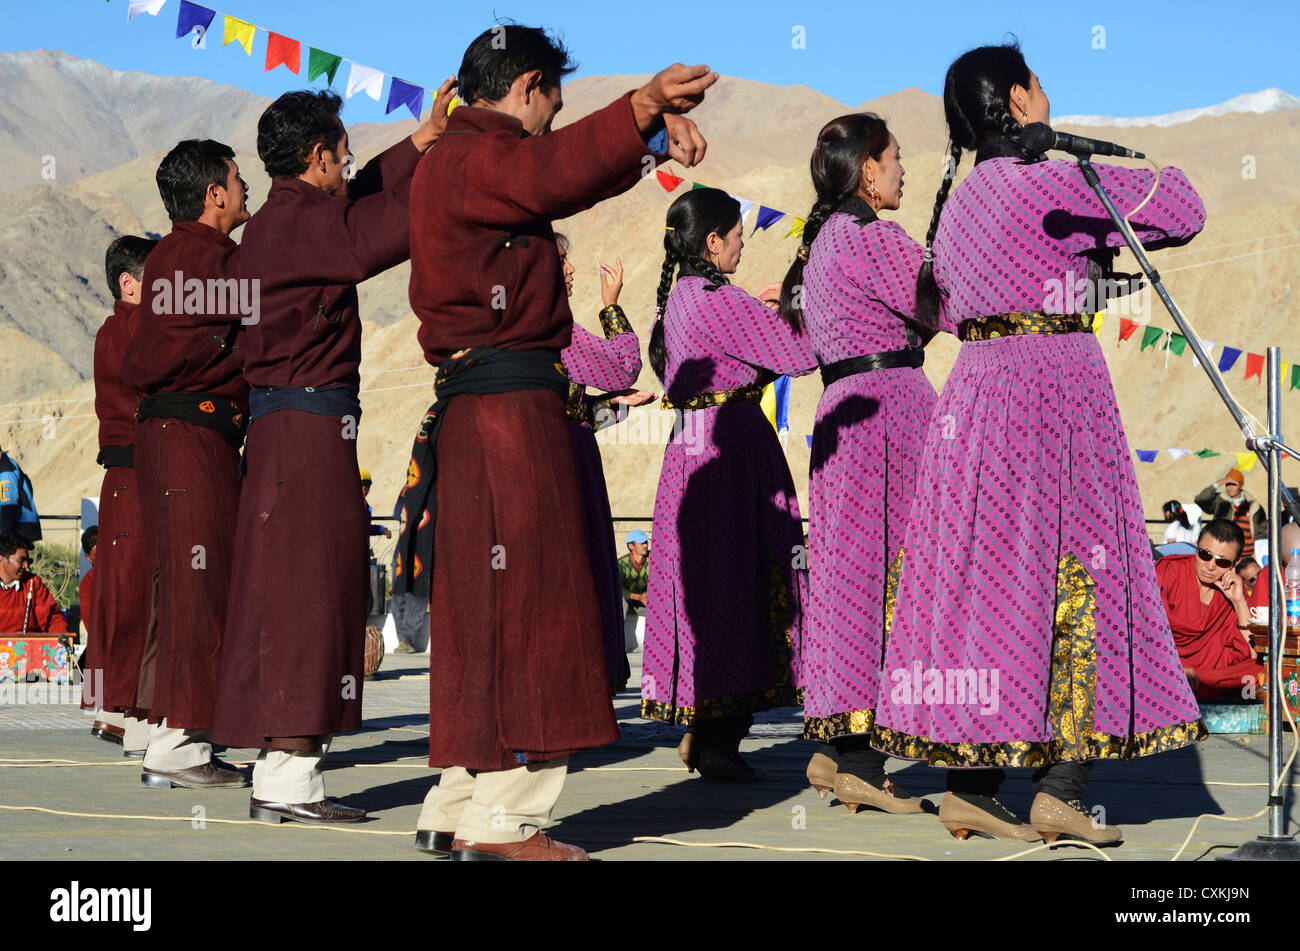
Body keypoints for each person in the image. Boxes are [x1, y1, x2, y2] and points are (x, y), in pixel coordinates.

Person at [874, 41, 1207, 846]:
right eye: (1040, 86)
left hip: (975, 397)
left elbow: (949, 309)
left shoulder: (953, 206)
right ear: (1020, 101)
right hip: (1057, 392)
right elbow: (1185, 207)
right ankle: (1062, 785)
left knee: (989, 585)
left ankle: (970, 785)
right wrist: (1068, 147)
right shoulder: (1057, 178)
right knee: (1077, 575)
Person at [401, 24, 713, 861]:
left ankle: (459, 798)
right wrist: (642, 107)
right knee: (536, 607)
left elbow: (553, 172)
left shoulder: (448, 165)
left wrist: (644, 134)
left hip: (475, 413)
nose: (550, 122)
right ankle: (507, 820)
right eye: (552, 106)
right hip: (511, 416)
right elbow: (554, 171)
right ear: (528, 85)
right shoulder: (481, 155)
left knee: (482, 615)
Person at [213, 85, 453, 825]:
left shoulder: (278, 222)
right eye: (343, 159)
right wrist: (461, 167)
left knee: (290, 590)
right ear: (318, 159)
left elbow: (357, 202)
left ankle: (283, 770)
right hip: (307, 431)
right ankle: (290, 779)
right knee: (306, 595)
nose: (350, 169)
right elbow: (372, 229)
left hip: (287, 429)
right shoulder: (302, 228)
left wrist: (419, 143)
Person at [782, 114, 939, 815]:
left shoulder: (821, 243)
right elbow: (943, 304)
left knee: (851, 575)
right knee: (892, 578)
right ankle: (861, 760)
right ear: (868, 170)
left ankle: (837, 746)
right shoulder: (872, 236)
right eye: (896, 158)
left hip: (845, 407)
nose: (904, 170)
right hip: (891, 410)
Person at [640, 186, 817, 782]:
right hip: (734, 448)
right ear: (712, 242)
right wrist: (789, 302)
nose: (743, 242)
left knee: (713, 582)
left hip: (691, 453)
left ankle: (707, 728)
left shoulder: (679, 302)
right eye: (737, 234)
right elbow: (800, 350)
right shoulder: (720, 299)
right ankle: (719, 738)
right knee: (744, 581)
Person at [121, 139, 252, 791]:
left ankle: (166, 728)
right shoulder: (203, 256)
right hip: (189, 432)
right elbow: (259, 327)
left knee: (185, 578)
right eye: (237, 176)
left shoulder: (180, 254)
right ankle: (178, 741)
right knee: (197, 581)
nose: (246, 184)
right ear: (214, 194)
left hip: (183, 434)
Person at [557, 236, 654, 694]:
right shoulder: (553, 327)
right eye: (561, 261)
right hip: (567, 465)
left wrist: (616, 405)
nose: (572, 268)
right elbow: (623, 363)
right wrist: (611, 306)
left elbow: (570, 409)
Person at [86, 235, 158, 760]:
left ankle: (111, 709)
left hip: (122, 478)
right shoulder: (134, 329)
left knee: (121, 591)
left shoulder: (111, 331)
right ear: (128, 283)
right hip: (139, 472)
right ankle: (135, 713)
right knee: (139, 593)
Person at [1157, 520, 1262, 700]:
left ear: (1234, 563)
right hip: (1167, 667)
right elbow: (1143, 631)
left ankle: (1194, 680)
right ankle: (1187, 679)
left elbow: (1252, 654)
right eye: (1205, 555)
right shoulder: (1167, 571)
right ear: (1196, 547)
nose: (1210, 566)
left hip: (1211, 675)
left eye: (1222, 562)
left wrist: (1238, 601)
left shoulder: (1234, 588)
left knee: (1262, 669)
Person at [0, 533, 68, 634]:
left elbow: (52, 619)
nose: (27, 566)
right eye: (21, 561)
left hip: (29, 646)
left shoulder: (33, 582)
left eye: (28, 561)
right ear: (2, 560)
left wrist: (61, 643)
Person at [1196, 469, 1267, 555]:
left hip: (1248, 555)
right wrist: (1219, 483)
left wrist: (1258, 553)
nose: (1229, 488)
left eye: (1233, 484)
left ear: (1241, 485)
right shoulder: (1220, 501)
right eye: (1227, 484)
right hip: (1224, 553)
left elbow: (1261, 531)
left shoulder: (1253, 505)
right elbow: (1201, 499)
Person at [0, 447, 41, 542]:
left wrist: (4, 540)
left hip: (18, 530)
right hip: (20, 528)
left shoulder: (6, 472)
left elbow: (8, 507)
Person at [619, 529, 651, 649]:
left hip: (643, 603)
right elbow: (619, 588)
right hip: (627, 602)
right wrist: (638, 597)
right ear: (631, 546)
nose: (645, 545)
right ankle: (619, 644)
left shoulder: (651, 561)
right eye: (641, 543)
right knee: (620, 600)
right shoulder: (622, 564)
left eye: (646, 543)